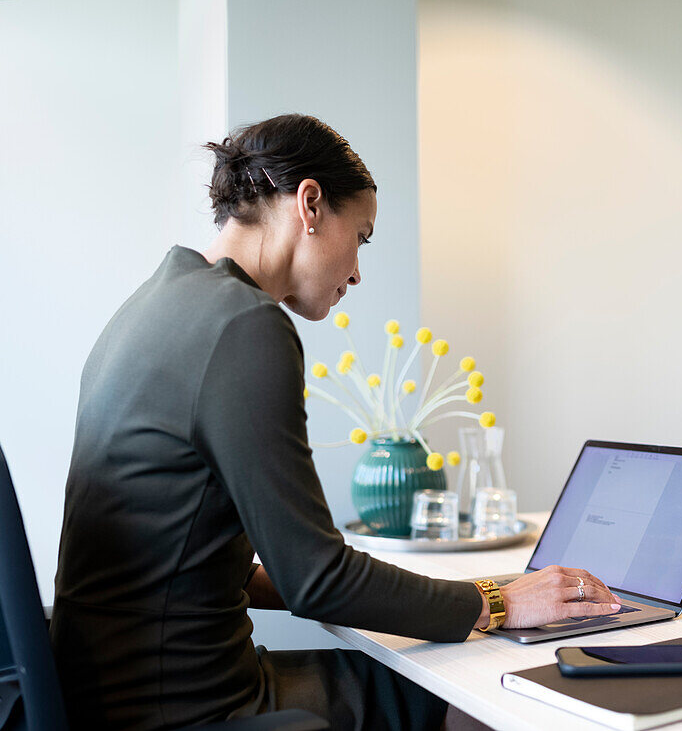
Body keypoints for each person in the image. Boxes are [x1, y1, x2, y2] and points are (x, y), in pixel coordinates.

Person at [50, 114, 621, 730]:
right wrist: (501, 601)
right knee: (480, 694)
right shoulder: (244, 326)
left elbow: (196, 555)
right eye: (362, 237)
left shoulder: (154, 306)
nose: (355, 272)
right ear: (311, 204)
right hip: (194, 708)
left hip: (106, 696)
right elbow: (319, 580)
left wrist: (437, 593)